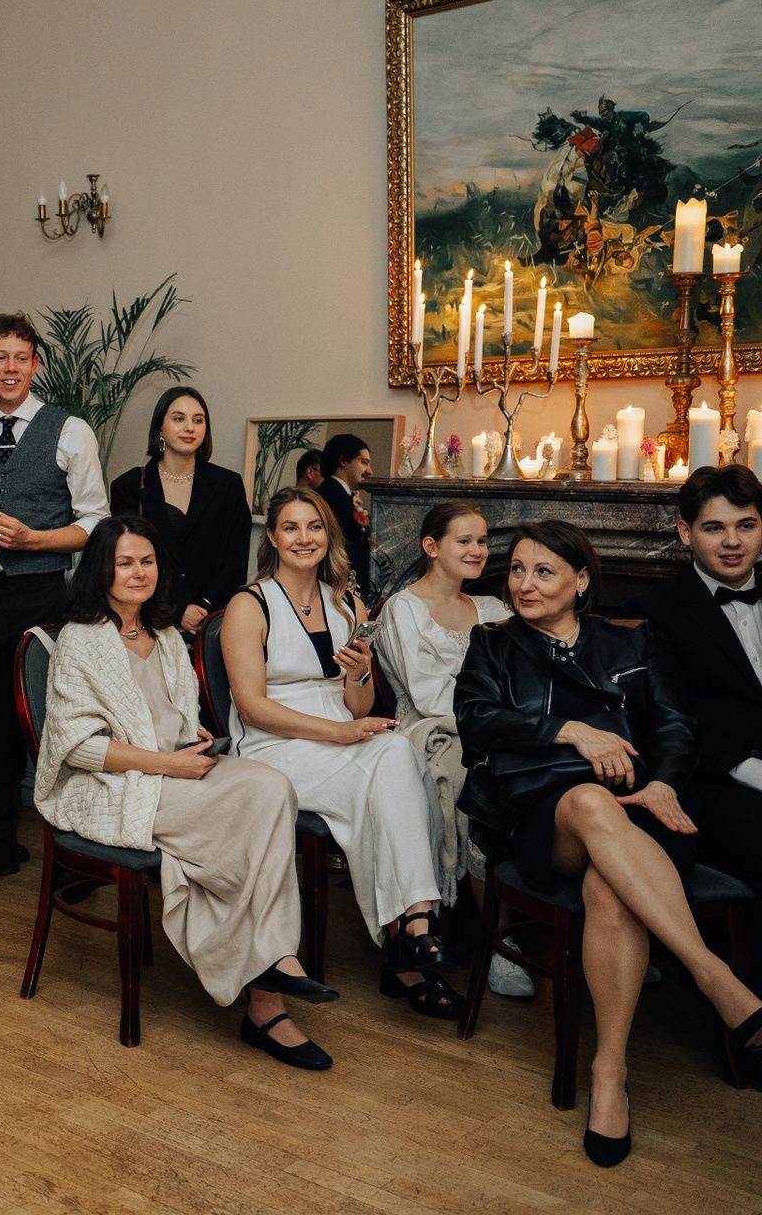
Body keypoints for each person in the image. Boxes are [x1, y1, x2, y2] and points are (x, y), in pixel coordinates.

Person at [455, 519, 762, 1166]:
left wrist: (665, 783)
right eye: (518, 570)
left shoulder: (634, 639)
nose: (525, 584)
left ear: (581, 580)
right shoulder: (493, 645)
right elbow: (477, 720)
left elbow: (676, 724)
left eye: (544, 571)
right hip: (544, 815)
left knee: (608, 890)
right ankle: (715, 976)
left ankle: (609, 1074)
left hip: (642, 808)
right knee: (590, 802)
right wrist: (572, 731)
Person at [35, 515, 338, 1068]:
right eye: (124, 562)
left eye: (147, 561)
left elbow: (172, 714)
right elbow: (77, 747)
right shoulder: (80, 640)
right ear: (100, 570)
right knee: (246, 830)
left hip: (178, 766)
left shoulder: (168, 635)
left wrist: (192, 736)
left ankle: (266, 967)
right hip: (114, 784)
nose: (138, 572)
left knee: (272, 786)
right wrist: (166, 763)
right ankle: (267, 996)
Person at [220, 487, 459, 1020]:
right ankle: (411, 937)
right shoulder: (249, 605)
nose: (304, 538)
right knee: (393, 760)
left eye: (315, 527)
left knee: (396, 753)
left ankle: (412, 926)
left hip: (339, 739)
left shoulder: (347, 603)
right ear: (272, 537)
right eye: (290, 528)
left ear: (329, 536)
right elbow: (253, 708)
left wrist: (359, 674)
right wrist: (339, 733)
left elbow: (358, 706)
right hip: (274, 748)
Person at [0, 312, 108, 889]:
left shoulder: (71, 431)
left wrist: (35, 540)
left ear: (35, 365)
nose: (9, 368)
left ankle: (79, 854)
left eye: (20, 358)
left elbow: (97, 523)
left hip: (46, 597)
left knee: (62, 722)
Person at [372, 501, 531, 998]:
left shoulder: (493, 610)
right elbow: (427, 695)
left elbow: (524, 679)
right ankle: (498, 940)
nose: (477, 550)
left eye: (482, 541)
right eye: (464, 541)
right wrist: (497, 714)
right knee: (476, 777)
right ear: (431, 546)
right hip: (428, 731)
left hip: (495, 730)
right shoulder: (403, 609)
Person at [633, 465, 762, 978]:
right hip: (715, 782)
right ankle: (748, 1010)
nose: (732, 541)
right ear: (686, 533)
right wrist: (752, 771)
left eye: (746, 525)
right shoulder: (657, 610)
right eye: (714, 528)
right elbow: (668, 718)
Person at [107, 386, 252, 636]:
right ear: (160, 428)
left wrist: (203, 606)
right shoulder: (128, 486)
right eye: (178, 418)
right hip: (147, 617)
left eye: (198, 420)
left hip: (212, 621)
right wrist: (179, 608)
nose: (189, 427)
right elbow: (126, 561)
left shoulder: (228, 485)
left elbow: (236, 561)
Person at [315, 433, 373, 600]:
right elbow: (335, 547)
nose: (369, 471)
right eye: (364, 462)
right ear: (343, 460)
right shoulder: (333, 495)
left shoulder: (341, 496)